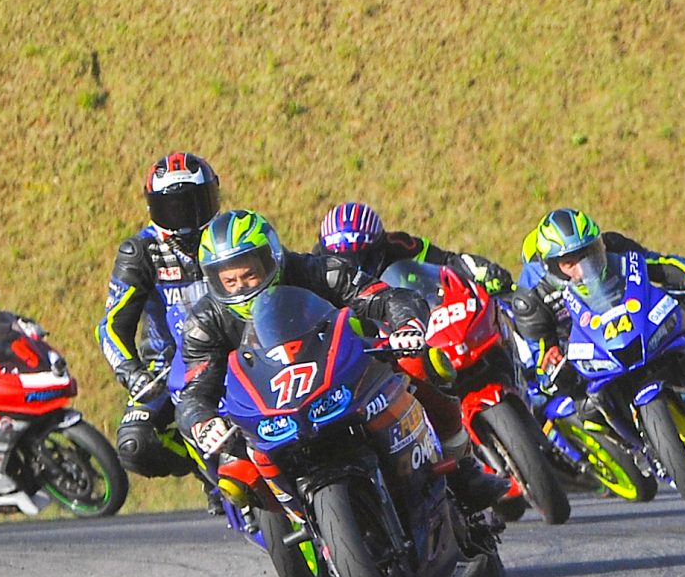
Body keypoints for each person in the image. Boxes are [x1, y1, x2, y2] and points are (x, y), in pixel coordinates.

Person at [169, 210, 507, 513]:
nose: (241, 286)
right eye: (229, 280)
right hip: (270, 404)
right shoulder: (205, 322)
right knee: (232, 468)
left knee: (417, 365)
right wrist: (201, 420)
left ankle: (464, 470)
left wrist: (407, 324)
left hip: (339, 370)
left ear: (271, 259)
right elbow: (195, 389)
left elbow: (383, 297)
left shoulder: (315, 270)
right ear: (213, 281)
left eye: (250, 274)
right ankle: (289, 527)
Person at [98, 152, 222, 481]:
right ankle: (199, 464)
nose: (185, 220)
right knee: (134, 445)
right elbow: (111, 326)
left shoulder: (231, 234)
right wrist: (131, 373)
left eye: (194, 204)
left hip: (235, 351)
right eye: (172, 208)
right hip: (168, 367)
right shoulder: (140, 252)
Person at [510, 208, 685, 396]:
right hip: (589, 359)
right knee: (584, 408)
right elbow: (541, 356)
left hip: (637, 326)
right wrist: (551, 361)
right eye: (569, 264)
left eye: (586, 255)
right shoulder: (531, 296)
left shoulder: (614, 247)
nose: (582, 270)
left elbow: (655, 263)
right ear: (552, 267)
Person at [315, 201, 516, 297]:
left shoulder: (396, 244)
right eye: (342, 260)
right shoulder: (312, 266)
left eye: (364, 258)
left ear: (379, 247)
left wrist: (482, 271)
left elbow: (446, 260)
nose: (355, 271)